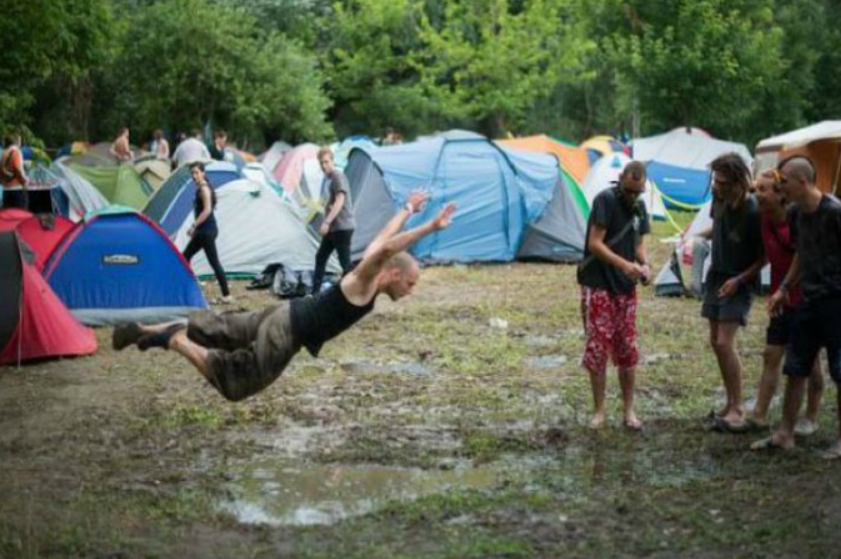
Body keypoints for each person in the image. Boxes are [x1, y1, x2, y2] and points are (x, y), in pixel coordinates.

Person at [112, 193, 456, 402]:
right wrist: (429, 227)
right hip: (285, 332)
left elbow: (384, 238)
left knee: (213, 329)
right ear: (394, 273)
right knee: (236, 383)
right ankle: (174, 339)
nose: (411, 291)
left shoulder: (365, 270)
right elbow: (388, 248)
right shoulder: (366, 280)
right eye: (411, 283)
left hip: (281, 313)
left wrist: (408, 209)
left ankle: (141, 330)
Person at [752, 157, 841, 458]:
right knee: (796, 366)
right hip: (808, 301)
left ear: (803, 181)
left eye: (784, 181)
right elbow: (801, 254)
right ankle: (784, 434)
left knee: (840, 370)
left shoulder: (834, 212)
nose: (780, 187)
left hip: (837, 303)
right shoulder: (794, 215)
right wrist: (784, 289)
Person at [746, 170, 823, 434]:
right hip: (781, 301)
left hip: (805, 300)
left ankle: (811, 416)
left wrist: (786, 288)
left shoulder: (795, 224)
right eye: (756, 189)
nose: (758, 195)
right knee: (771, 354)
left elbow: (807, 259)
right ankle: (759, 414)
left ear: (781, 195)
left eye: (763, 190)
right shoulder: (764, 220)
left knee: (809, 363)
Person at [577, 161, 651, 430]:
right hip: (598, 284)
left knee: (626, 348)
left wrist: (644, 265)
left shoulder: (640, 208)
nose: (632, 196)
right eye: (629, 190)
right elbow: (594, 244)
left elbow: (639, 244)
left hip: (626, 288)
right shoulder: (604, 201)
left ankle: (629, 411)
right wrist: (623, 264)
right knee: (598, 346)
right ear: (620, 179)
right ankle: (599, 411)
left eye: (637, 191)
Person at [700, 153, 764, 432]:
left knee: (726, 342)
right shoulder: (719, 198)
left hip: (739, 281)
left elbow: (765, 257)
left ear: (739, 180)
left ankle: (738, 407)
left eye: (724, 182)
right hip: (717, 276)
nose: (718, 186)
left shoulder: (753, 211)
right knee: (715, 342)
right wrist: (695, 238)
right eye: (716, 181)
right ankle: (729, 403)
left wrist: (739, 280)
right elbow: (718, 227)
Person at [182, 162, 231, 304]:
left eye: (197, 172)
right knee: (186, 256)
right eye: (192, 173)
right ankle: (189, 286)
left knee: (213, 262)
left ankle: (227, 295)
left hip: (207, 231)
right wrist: (196, 229)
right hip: (205, 231)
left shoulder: (204, 189)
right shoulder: (202, 188)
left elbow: (207, 210)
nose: (194, 176)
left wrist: (194, 226)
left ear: (203, 173)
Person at [312, 146, 355, 294]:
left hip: (342, 227)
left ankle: (356, 293)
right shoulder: (328, 179)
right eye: (321, 163)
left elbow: (340, 200)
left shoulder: (338, 176)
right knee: (320, 257)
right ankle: (314, 294)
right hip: (333, 229)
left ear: (332, 161)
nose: (324, 166)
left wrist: (326, 222)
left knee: (346, 264)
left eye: (326, 162)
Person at [1, 134, 29, 209]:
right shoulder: (16, 152)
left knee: (9, 216)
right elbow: (18, 169)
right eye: (20, 141)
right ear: (16, 141)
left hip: (6, 189)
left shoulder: (4, 152)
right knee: (20, 215)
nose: (21, 143)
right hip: (17, 188)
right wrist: (24, 181)